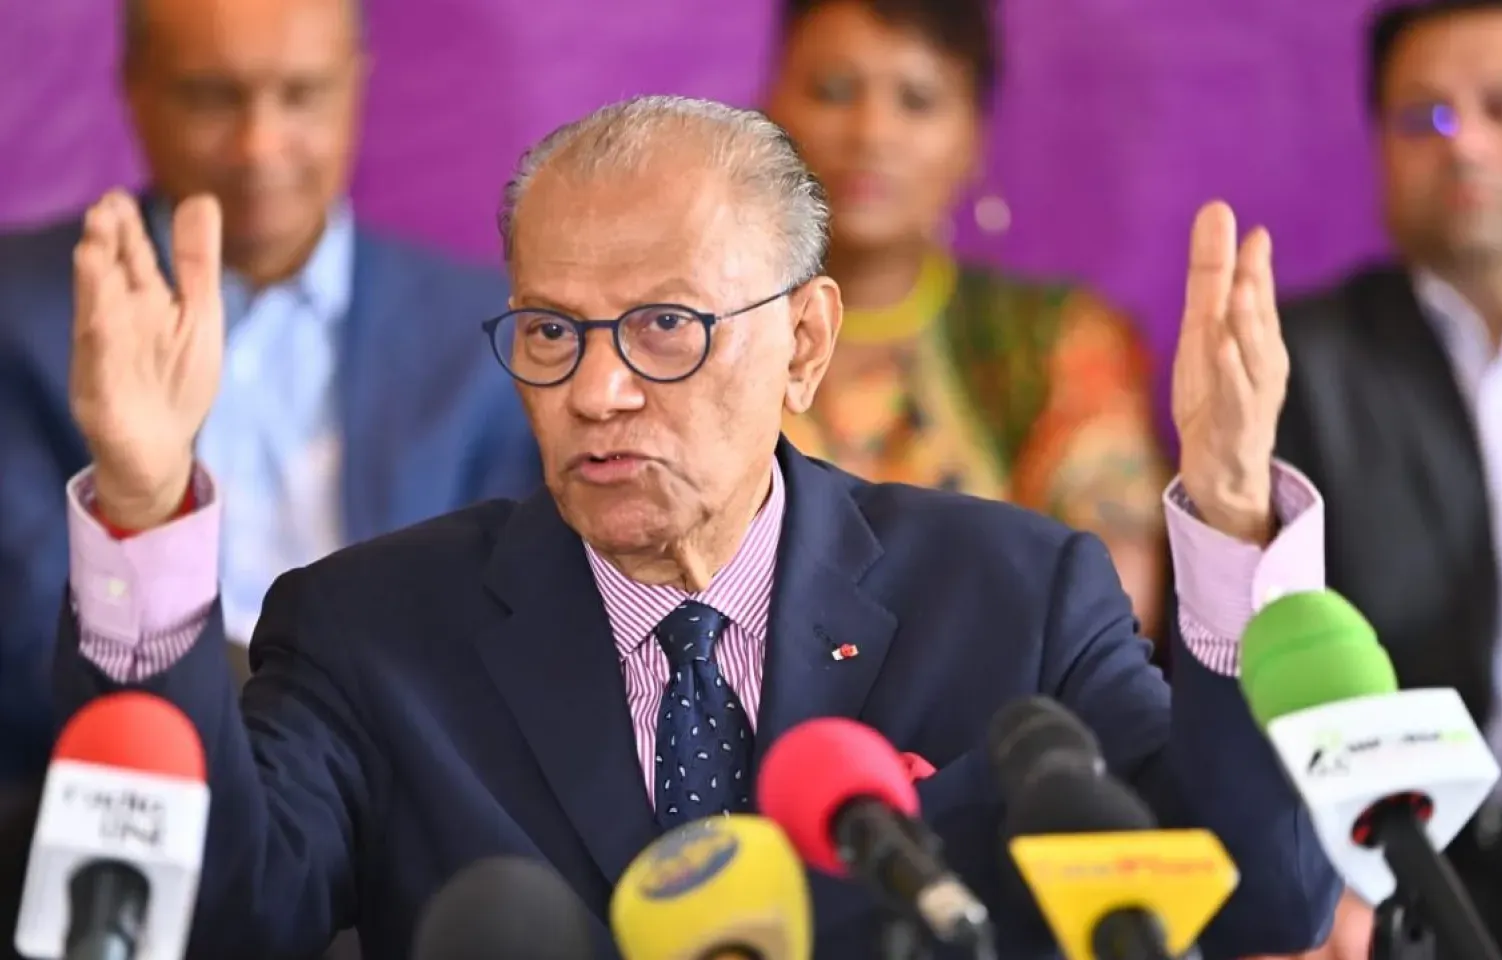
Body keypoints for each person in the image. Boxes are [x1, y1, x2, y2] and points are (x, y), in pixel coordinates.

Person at [54, 95, 1339, 958]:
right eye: (551, 332)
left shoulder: (1012, 597)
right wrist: (144, 507)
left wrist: (1231, 515)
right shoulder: (372, 635)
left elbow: (1258, 896)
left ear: (805, 342)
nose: (598, 391)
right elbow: (215, 917)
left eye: (665, 326)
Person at [0, 0, 541, 781]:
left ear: (355, 85)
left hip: (403, 797)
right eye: (212, 97)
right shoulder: (21, 318)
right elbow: (25, 643)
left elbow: (513, 634)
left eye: (302, 94)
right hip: (118, 785)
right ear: (135, 89)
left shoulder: (488, 337)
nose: (259, 145)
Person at [1273, 1, 1502, 957]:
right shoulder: (1306, 363)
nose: (1464, 145)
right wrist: (1313, 868)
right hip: (1409, 875)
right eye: (1424, 117)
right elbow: (1265, 639)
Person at [765, 0, 1171, 635]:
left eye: (917, 101)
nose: (872, 132)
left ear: (974, 138)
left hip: (1000, 696)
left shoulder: (1052, 341)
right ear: (769, 112)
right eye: (834, 91)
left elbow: (1110, 604)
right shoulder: (706, 335)